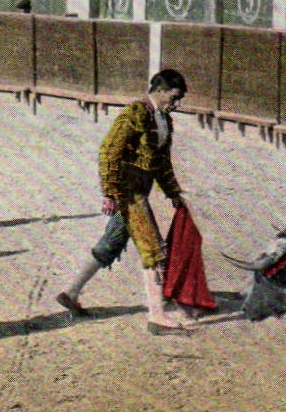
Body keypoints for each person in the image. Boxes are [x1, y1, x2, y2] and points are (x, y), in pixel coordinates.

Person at [57, 69, 194, 334]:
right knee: (153, 249)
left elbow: (162, 163)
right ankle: (157, 317)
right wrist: (110, 193)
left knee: (112, 243)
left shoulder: (164, 119)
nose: (176, 104)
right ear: (160, 91)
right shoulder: (136, 113)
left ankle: (71, 292)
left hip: (139, 190)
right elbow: (110, 151)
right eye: (174, 97)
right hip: (129, 193)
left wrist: (173, 193)